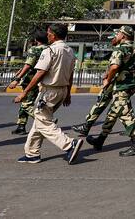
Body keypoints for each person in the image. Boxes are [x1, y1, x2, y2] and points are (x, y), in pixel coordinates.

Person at [15, 23, 83, 164]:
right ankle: (32, 153)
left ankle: (69, 144)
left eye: (48, 33)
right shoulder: (70, 51)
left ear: (53, 35)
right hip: (62, 91)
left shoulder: (50, 51)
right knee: (39, 121)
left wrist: (25, 92)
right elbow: (70, 74)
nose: (47, 35)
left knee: (44, 122)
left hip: (49, 92)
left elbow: (40, 73)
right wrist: (68, 93)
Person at [85, 26, 135, 156]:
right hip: (130, 85)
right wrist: (129, 71)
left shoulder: (120, 49)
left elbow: (114, 67)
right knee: (113, 114)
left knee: (126, 114)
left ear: (123, 36)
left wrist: (108, 79)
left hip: (120, 87)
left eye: (118, 33)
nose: (116, 35)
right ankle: (100, 140)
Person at [8, 30, 48, 135]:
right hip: (42, 79)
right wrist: (20, 71)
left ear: (36, 40)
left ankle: (46, 122)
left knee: (26, 104)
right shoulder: (49, 49)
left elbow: (28, 65)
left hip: (30, 80)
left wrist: (17, 79)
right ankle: (21, 125)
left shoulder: (34, 49)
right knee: (25, 101)